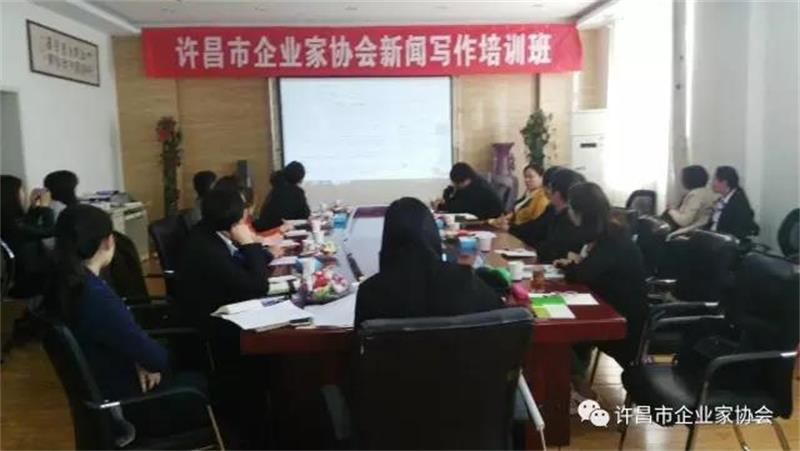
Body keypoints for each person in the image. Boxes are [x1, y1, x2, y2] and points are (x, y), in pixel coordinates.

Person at [50, 204, 209, 446]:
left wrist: (139, 360)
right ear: (108, 242)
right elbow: (158, 359)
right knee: (205, 384)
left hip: (107, 401)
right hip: (130, 408)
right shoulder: (97, 297)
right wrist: (148, 361)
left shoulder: (67, 286)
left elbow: (115, 340)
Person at [175, 188, 276, 448]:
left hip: (224, 312)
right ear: (235, 216)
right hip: (216, 330)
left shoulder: (210, 235)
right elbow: (258, 286)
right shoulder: (206, 247)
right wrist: (250, 244)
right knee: (273, 352)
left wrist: (251, 246)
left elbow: (252, 266)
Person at [355, 197, 504, 325]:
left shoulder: (370, 292)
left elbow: (359, 343)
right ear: (431, 232)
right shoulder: (464, 280)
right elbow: (499, 318)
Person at [554, 182, 648, 370]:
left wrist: (572, 266)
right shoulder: (605, 231)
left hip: (621, 319)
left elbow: (582, 274)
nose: (568, 212)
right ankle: (573, 379)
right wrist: (573, 265)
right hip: (603, 306)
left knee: (557, 335)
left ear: (581, 212)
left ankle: (575, 381)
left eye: (571, 208)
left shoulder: (612, 238)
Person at [1, 175, 55, 298]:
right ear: (11, 195)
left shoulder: (8, 220)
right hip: (30, 280)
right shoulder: (13, 225)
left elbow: (29, 227)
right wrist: (45, 208)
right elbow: (49, 231)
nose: (24, 194)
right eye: (22, 190)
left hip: (23, 274)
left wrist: (33, 207)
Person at [663, 165, 719, 237]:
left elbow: (684, 221)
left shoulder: (695, 195)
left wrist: (671, 210)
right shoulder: (710, 192)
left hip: (690, 233)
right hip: (701, 230)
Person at [254, 161, 311, 231]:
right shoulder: (297, 192)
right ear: (300, 178)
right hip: (279, 231)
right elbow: (305, 215)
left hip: (265, 229)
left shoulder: (276, 188)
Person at [436, 163, 503, 220]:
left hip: (488, 221)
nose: (457, 185)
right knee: (449, 219)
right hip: (475, 216)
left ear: (467, 178)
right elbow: (456, 202)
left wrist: (440, 206)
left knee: (451, 219)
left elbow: (459, 208)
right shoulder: (468, 184)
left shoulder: (479, 188)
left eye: (459, 183)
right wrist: (445, 198)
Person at [707, 166, 758, 240]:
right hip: (715, 238)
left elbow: (734, 231)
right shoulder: (724, 198)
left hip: (725, 241)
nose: (712, 184)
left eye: (715, 179)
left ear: (724, 182)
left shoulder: (738, 202)